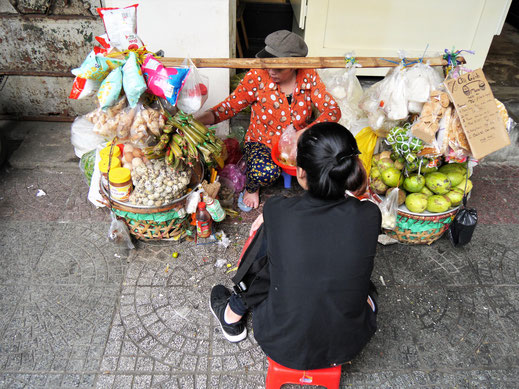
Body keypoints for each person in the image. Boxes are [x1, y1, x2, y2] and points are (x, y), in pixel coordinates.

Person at [209, 122, 382, 370]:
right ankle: (234, 311)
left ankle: (232, 314)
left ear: (300, 172)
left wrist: (268, 220)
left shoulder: (277, 210)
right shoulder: (370, 214)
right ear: (352, 167)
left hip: (280, 342)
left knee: (266, 249)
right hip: (349, 342)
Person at [196, 30, 341, 210]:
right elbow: (229, 107)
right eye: (268, 65)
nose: (271, 71)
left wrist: (303, 134)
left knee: (328, 166)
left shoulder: (308, 76)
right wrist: (200, 120)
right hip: (262, 141)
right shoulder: (257, 76)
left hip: (298, 143)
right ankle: (251, 188)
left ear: (295, 65)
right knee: (264, 172)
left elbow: (333, 111)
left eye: (278, 68)